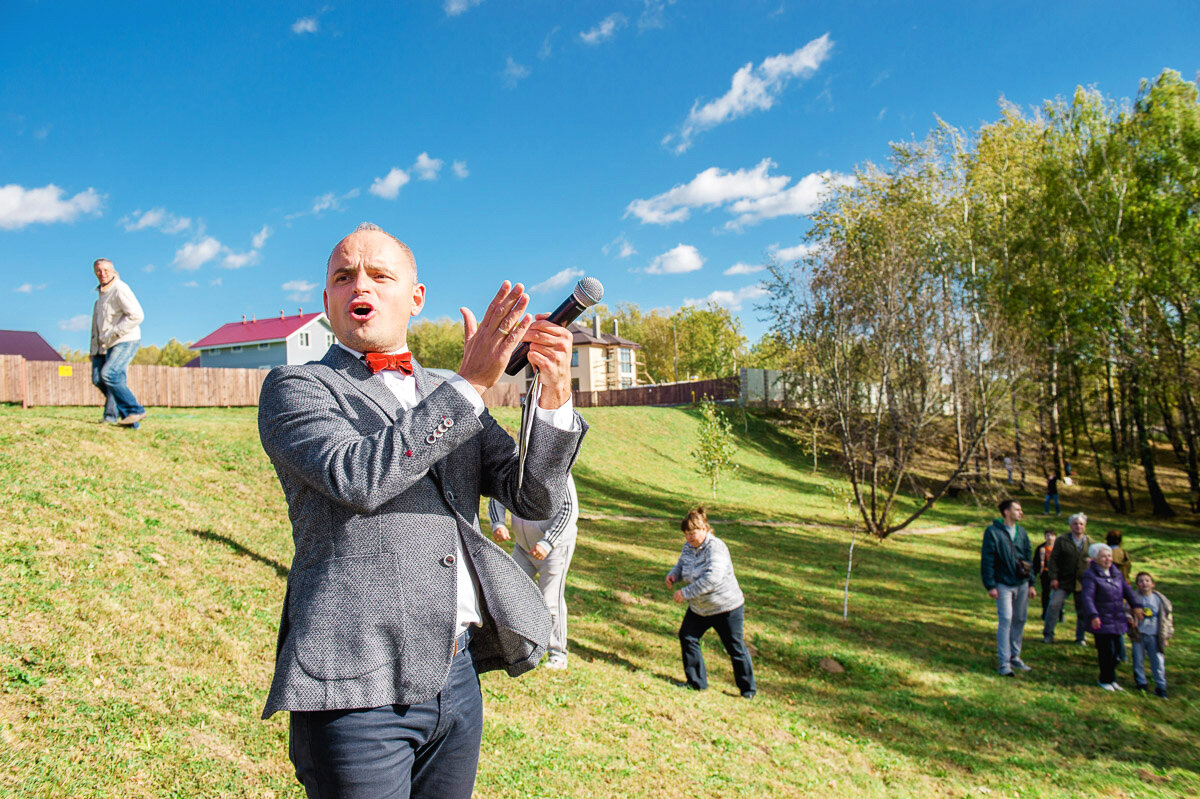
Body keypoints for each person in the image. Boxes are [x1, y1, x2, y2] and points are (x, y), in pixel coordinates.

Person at [256, 222, 587, 799]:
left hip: (456, 678)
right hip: (352, 685)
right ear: (328, 299)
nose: (361, 284)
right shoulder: (296, 387)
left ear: (416, 298)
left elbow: (530, 495)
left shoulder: (446, 389)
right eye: (343, 276)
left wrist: (552, 399)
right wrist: (473, 383)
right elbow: (359, 476)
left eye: (381, 275)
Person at [488, 472, 578, 670]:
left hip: (554, 550)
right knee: (511, 593)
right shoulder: (515, 465)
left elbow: (570, 510)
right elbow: (499, 495)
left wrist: (548, 543)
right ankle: (516, 646)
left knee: (550, 600)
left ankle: (557, 653)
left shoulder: (560, 471)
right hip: (523, 546)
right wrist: (498, 523)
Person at [666, 506, 756, 698]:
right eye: (687, 533)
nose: (690, 537)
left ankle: (748, 690)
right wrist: (673, 575)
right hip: (700, 609)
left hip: (726, 607)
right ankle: (696, 683)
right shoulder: (688, 547)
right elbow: (682, 564)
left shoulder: (716, 548)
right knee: (687, 637)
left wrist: (685, 592)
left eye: (694, 532)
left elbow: (712, 578)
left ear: (705, 529)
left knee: (735, 647)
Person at [980, 499, 1036, 676]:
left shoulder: (1022, 532)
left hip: (1022, 583)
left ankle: (1015, 656)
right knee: (1006, 619)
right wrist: (990, 584)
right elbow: (987, 559)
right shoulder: (993, 532)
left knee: (1019, 619)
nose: (1021, 512)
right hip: (1003, 583)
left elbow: (1029, 557)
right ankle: (1004, 663)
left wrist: (1032, 583)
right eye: (1017, 509)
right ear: (1006, 512)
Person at [89, 258, 147, 426]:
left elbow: (137, 315)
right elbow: (97, 327)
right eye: (99, 271)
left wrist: (115, 333)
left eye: (106, 270)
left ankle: (135, 411)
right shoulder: (100, 298)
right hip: (108, 343)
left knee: (110, 374)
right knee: (101, 379)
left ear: (113, 271)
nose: (103, 273)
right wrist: (94, 350)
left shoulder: (120, 289)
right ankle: (129, 421)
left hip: (126, 339)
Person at [1080, 544, 1142, 691]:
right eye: (1103, 556)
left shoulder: (1116, 573)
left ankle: (1112, 679)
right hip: (1101, 619)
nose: (1107, 559)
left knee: (1116, 653)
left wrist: (1136, 605)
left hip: (1116, 618)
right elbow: (1087, 598)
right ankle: (1104, 680)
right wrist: (1093, 615)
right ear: (1095, 559)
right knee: (1106, 652)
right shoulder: (1090, 575)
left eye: (1109, 556)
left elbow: (1128, 591)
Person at [1043, 512, 1091, 645]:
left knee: (1082, 610)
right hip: (1063, 580)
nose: (1078, 526)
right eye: (1075, 523)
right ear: (1070, 525)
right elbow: (1053, 560)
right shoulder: (1062, 540)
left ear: (1085, 526)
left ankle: (1080, 637)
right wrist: (1053, 577)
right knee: (1053, 606)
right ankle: (1048, 634)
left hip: (1082, 582)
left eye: (1081, 524)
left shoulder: (1090, 542)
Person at [1129, 572, 1173, 698]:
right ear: (1137, 584)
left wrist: (1167, 636)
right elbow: (1127, 611)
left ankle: (1161, 686)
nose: (1144, 583)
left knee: (1158, 661)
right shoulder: (1135, 598)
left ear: (1152, 584)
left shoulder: (1159, 600)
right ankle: (1141, 683)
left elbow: (1167, 619)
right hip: (1139, 635)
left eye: (1147, 580)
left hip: (1155, 636)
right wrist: (1129, 618)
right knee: (1138, 659)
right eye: (1141, 581)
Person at [1032, 529, 1060, 621]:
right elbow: (1036, 562)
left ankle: (1060, 613)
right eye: (1047, 535)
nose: (1050, 538)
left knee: (1058, 594)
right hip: (1045, 573)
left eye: (1052, 535)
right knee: (1046, 593)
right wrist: (1034, 574)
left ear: (1055, 537)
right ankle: (1045, 612)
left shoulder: (1059, 548)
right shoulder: (1041, 548)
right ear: (1045, 537)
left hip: (1057, 574)